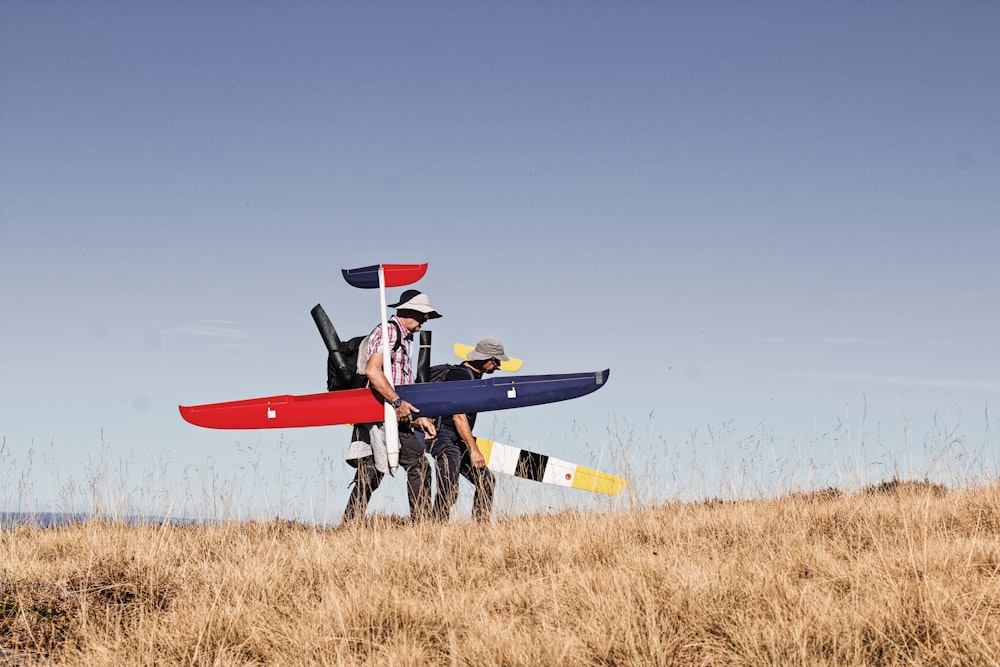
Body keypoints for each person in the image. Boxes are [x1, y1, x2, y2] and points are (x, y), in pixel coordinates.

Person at [342, 290, 441, 525]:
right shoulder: (388, 331)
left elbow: (404, 384)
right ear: (409, 312)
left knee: (372, 471)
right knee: (415, 466)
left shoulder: (406, 338)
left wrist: (420, 418)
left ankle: (349, 524)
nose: (424, 321)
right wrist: (396, 403)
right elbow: (372, 371)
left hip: (394, 415)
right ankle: (422, 524)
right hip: (381, 414)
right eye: (423, 316)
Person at [430, 336, 510, 523]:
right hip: (445, 437)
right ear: (486, 359)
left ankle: (479, 529)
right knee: (448, 488)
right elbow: (459, 415)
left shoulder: (472, 377)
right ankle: (434, 529)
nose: (498, 367)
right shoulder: (460, 376)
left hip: (457, 438)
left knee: (486, 481)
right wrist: (473, 450)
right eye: (496, 362)